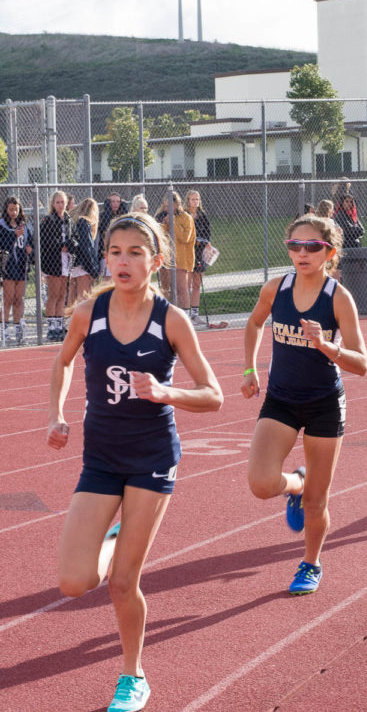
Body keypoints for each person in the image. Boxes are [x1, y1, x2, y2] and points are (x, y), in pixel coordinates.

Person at [47, 212, 223, 712]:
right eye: (115, 252)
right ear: (105, 258)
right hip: (100, 458)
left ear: (157, 262)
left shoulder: (171, 319)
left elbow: (213, 395)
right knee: (74, 581)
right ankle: (114, 533)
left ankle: (133, 676)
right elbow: (61, 363)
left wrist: (168, 392)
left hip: (151, 459)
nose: (123, 261)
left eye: (135, 253)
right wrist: (57, 414)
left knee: (124, 583)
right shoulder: (89, 312)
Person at [241, 214, 367, 595]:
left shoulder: (338, 298)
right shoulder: (275, 288)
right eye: (294, 246)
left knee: (317, 503)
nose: (302, 252)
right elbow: (253, 323)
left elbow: (362, 362)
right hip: (281, 399)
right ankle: (293, 485)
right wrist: (249, 368)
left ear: (329, 252)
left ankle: (310, 563)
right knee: (261, 484)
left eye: (312, 246)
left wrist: (328, 347)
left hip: (324, 404)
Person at [40, 190, 77, 341]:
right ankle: (51, 328)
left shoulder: (69, 220)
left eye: (63, 202)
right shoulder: (48, 220)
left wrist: (70, 245)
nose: (61, 205)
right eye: (58, 202)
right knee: (53, 295)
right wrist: (60, 246)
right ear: (53, 204)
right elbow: (46, 241)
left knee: (63, 294)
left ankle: (59, 325)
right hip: (53, 261)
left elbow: (74, 237)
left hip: (66, 260)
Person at [0, 195, 33, 343]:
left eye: (16, 209)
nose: (14, 212)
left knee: (19, 299)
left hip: (21, 265)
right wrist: (13, 235)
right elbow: (3, 244)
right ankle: (4, 329)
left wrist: (29, 249)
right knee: (8, 298)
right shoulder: (2, 225)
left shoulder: (25, 225)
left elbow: (30, 242)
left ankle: (18, 328)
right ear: (6, 210)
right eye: (11, 209)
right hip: (7, 265)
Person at [158, 191, 195, 315]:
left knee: (181, 288)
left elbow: (185, 238)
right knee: (166, 289)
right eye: (165, 205)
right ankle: (167, 315)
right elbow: (160, 237)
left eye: (170, 205)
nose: (167, 208)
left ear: (177, 204)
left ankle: (185, 316)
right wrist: (164, 224)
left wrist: (172, 223)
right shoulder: (162, 215)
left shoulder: (185, 217)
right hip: (166, 257)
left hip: (181, 258)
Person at [184, 190, 212, 328]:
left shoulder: (202, 216)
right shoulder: (184, 215)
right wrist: (195, 241)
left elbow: (208, 234)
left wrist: (205, 242)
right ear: (187, 201)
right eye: (192, 199)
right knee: (187, 284)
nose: (195, 201)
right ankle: (186, 314)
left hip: (200, 253)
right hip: (188, 253)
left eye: (197, 199)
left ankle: (195, 314)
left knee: (197, 284)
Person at [68, 198, 100, 305]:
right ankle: (81, 320)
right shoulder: (84, 222)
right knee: (84, 297)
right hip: (83, 264)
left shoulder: (74, 220)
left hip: (73, 263)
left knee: (72, 296)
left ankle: (70, 319)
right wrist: (93, 268)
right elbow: (87, 247)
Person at [98, 193, 129, 276]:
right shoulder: (102, 215)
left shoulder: (121, 216)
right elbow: (104, 227)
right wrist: (107, 208)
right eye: (112, 201)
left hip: (120, 251)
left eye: (118, 202)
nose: (115, 204)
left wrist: (124, 208)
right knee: (108, 279)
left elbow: (126, 225)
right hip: (106, 251)